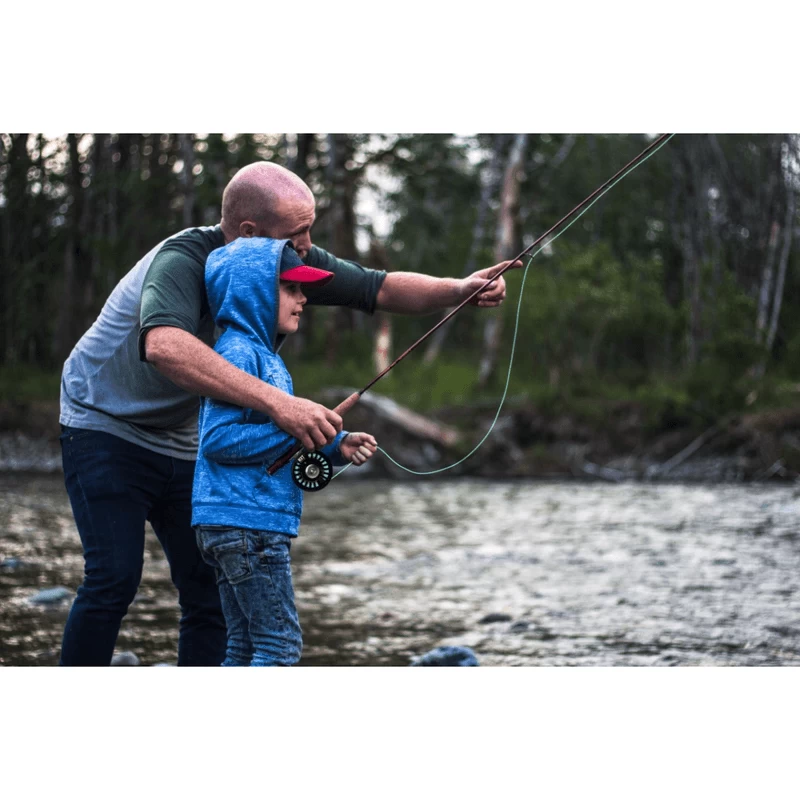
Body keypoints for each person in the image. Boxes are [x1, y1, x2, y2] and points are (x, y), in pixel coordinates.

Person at [58, 160, 520, 666]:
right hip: (103, 420)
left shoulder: (282, 260)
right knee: (114, 578)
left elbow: (377, 287)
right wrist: (281, 406)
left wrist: (457, 289)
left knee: (207, 591)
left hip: (186, 434)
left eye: (309, 228)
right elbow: (164, 346)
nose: (307, 243)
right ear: (250, 231)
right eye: (298, 231)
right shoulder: (186, 260)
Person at [193, 236, 377, 666]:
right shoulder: (239, 353)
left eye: (303, 290)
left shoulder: (266, 358)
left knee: (242, 646)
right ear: (255, 291)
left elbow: (279, 433)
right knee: (280, 645)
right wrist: (294, 431)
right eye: (290, 288)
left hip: (234, 522)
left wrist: (336, 444)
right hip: (247, 524)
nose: (303, 299)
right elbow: (217, 441)